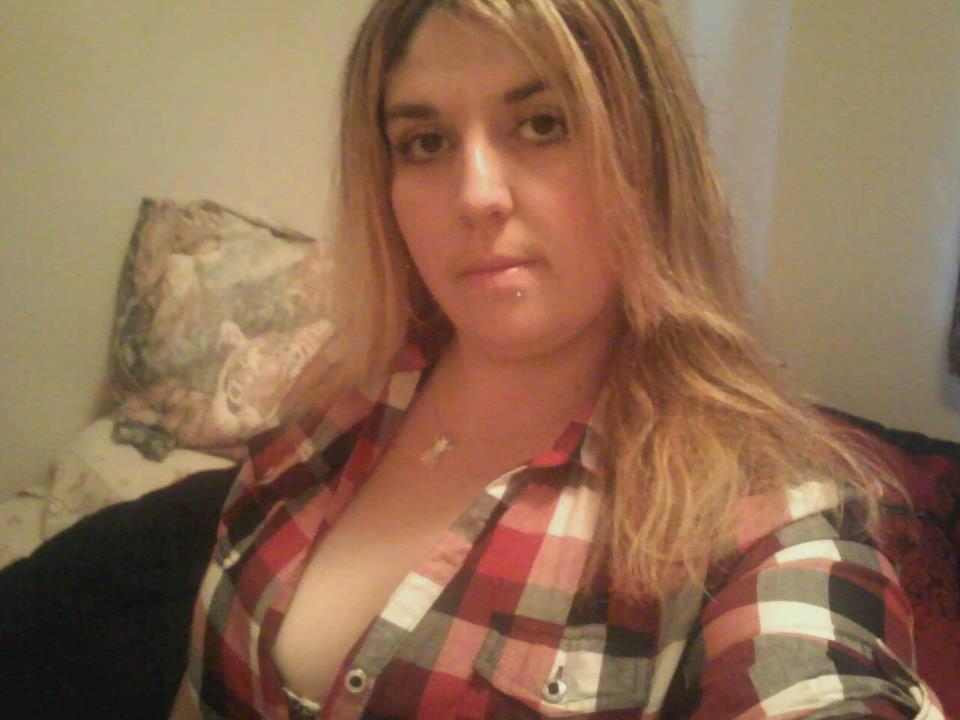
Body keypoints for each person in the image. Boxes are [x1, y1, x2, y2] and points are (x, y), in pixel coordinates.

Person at [171, 0, 943, 718]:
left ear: (648, 156)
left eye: (543, 124)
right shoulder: (340, 395)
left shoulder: (761, 520)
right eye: (426, 142)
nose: (476, 195)